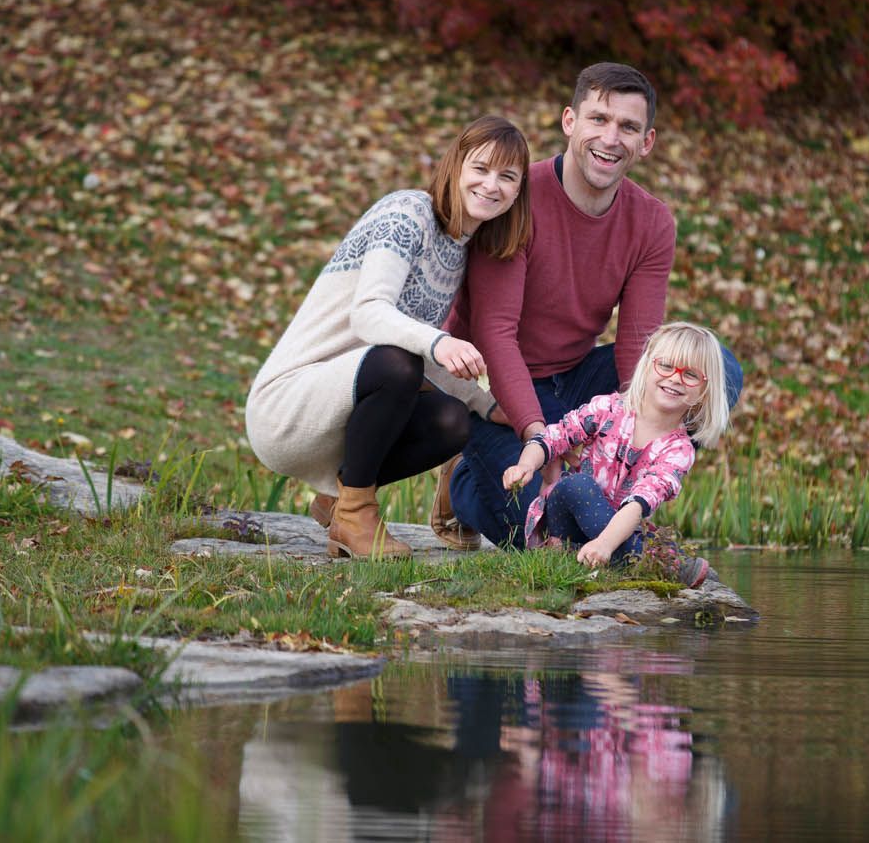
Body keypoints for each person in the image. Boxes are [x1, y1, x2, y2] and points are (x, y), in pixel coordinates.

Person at [434, 62, 743, 549]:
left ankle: (617, 489)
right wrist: (541, 440)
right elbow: (495, 334)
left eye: (628, 126)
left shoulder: (652, 222)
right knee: (534, 523)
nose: (611, 137)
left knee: (718, 370)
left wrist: (624, 432)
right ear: (569, 122)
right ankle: (463, 486)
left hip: (576, 377)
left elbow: (638, 345)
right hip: (494, 386)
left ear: (647, 142)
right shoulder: (516, 198)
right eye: (598, 119)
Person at [245, 116, 529, 559]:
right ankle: (357, 515)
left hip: (341, 416)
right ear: (455, 165)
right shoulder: (407, 213)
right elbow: (369, 316)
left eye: (507, 177)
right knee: (399, 362)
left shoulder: (458, 249)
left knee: (451, 422)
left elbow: (417, 353)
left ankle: (339, 502)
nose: (492, 185)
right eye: (481, 168)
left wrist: (487, 406)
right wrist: (440, 341)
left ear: (518, 191)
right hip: (288, 407)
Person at [500, 322, 729, 587]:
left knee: (640, 530)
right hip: (564, 520)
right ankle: (660, 564)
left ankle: (632, 558)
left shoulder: (678, 451)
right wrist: (526, 465)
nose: (675, 378)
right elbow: (554, 437)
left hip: (615, 533)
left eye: (690, 374)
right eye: (666, 366)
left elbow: (640, 502)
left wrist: (606, 544)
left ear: (704, 391)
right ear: (647, 365)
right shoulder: (608, 408)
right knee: (577, 485)